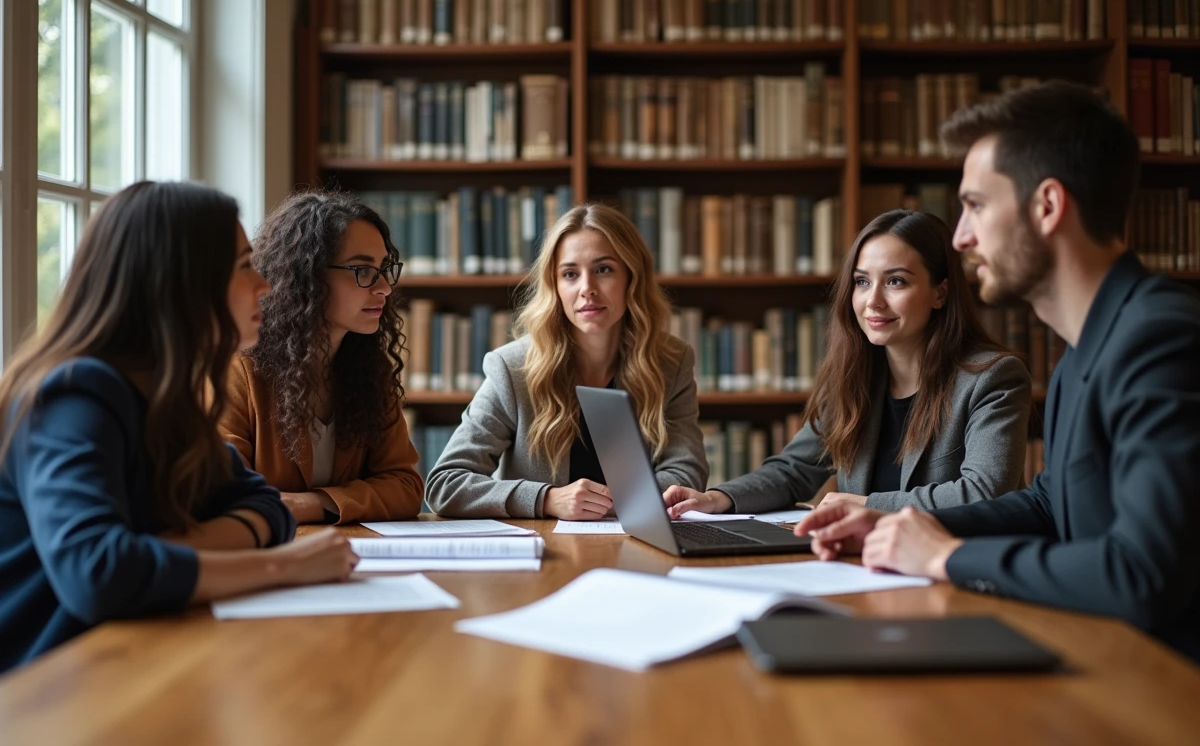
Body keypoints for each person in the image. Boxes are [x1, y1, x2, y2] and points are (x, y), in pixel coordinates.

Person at [798, 81, 1200, 662]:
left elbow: (1142, 573)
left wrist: (944, 558)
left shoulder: (1159, 339)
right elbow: (1047, 505)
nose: (960, 236)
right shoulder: (1087, 349)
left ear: (1047, 206)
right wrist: (898, 529)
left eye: (977, 205)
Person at [0, 181, 358, 673]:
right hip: (44, 688)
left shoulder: (167, 400)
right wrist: (285, 566)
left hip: (120, 660)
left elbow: (264, 507)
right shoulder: (73, 393)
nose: (265, 285)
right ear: (178, 282)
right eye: (242, 266)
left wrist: (152, 555)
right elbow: (97, 575)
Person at [663, 209, 1031, 518]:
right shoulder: (854, 377)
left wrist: (867, 505)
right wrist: (718, 498)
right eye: (861, 281)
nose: (873, 302)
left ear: (940, 293)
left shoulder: (992, 377)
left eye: (896, 282)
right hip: (871, 569)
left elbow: (984, 493)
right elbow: (794, 471)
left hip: (958, 570)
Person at [426, 203, 708, 519]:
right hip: (547, 554)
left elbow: (688, 470)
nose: (587, 289)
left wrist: (621, 500)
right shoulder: (513, 368)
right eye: (570, 274)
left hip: (638, 544)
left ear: (631, 277)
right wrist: (546, 499)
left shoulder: (671, 361)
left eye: (603, 269)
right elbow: (445, 484)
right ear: (555, 287)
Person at [219, 192, 424, 524]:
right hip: (271, 557)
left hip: (349, 556)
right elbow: (225, 492)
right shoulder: (238, 371)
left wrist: (314, 503)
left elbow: (405, 486)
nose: (385, 286)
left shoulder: (370, 373)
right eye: (363, 269)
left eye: (385, 268)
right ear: (308, 277)